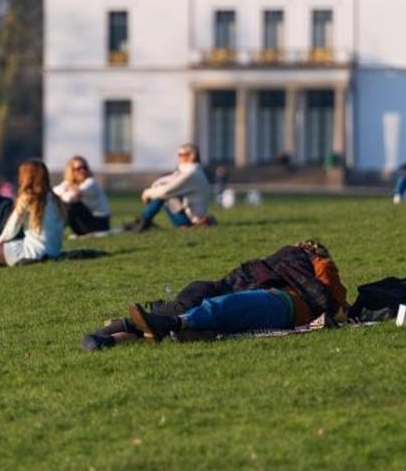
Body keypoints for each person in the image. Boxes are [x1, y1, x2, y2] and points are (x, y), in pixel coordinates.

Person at [81, 239, 347, 350]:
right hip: (243, 291)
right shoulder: (284, 261)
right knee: (198, 304)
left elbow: (332, 302)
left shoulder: (318, 263)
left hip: (282, 302)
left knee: (222, 306)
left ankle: (120, 331)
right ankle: (114, 338)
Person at [122, 143, 213, 231]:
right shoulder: (188, 171)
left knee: (164, 195)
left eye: (182, 155)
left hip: (192, 220)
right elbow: (167, 180)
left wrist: (147, 193)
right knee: (162, 192)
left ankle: (143, 222)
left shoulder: (191, 173)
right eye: (178, 155)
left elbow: (166, 191)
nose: (179, 158)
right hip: (188, 215)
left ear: (192, 156)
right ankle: (144, 221)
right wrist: (153, 188)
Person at [53, 156, 111, 235]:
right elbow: (54, 191)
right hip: (83, 223)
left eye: (85, 168)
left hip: (99, 223)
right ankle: (53, 229)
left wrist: (65, 193)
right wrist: (67, 189)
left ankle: (53, 230)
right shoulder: (68, 183)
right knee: (60, 204)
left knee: (69, 205)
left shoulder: (91, 182)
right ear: (71, 171)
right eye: (78, 169)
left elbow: (70, 198)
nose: (82, 171)